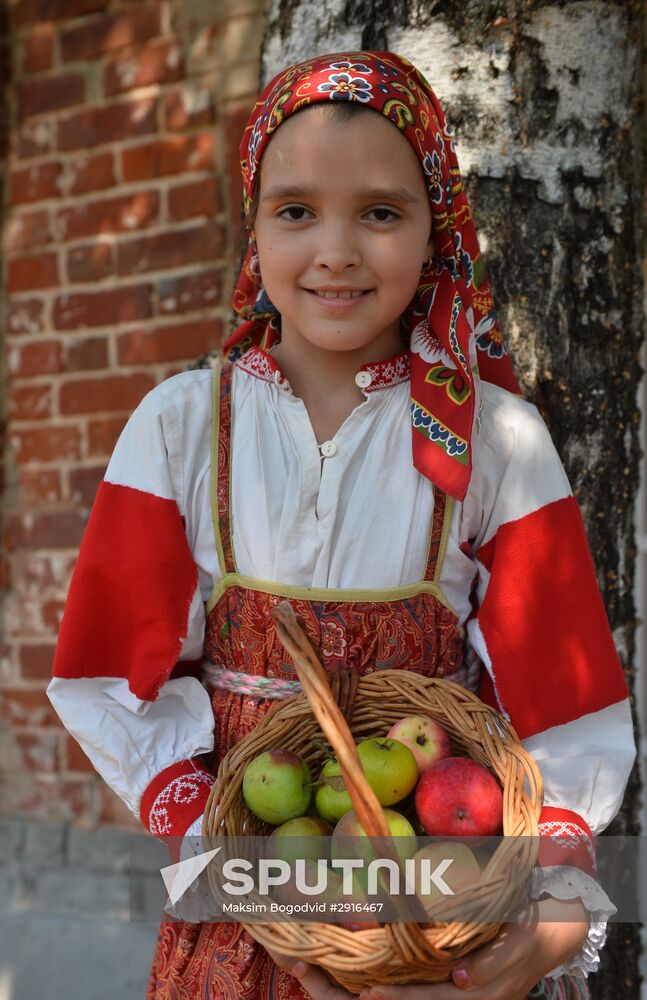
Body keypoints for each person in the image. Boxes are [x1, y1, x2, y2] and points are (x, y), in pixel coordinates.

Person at [47, 50, 636, 1000]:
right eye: (294, 211)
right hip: (248, 916)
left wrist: (556, 906)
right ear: (253, 229)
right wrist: (241, 881)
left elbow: (567, 705)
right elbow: (102, 676)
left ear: (433, 228)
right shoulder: (183, 426)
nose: (335, 249)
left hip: (444, 915)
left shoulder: (495, 439)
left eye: (379, 212)